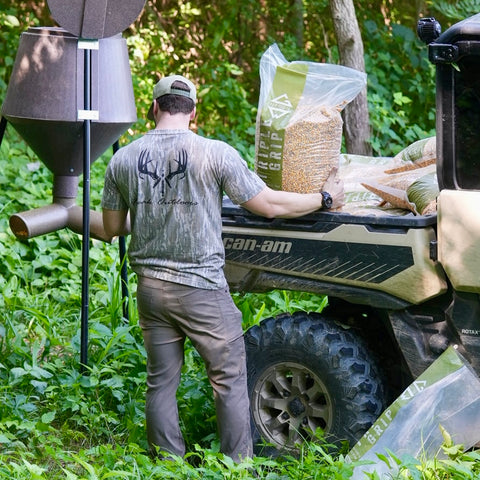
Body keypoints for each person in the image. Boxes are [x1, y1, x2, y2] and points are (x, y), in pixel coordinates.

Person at [101, 74, 344, 461]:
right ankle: (237, 465)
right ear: (193, 112)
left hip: (150, 288)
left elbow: (112, 228)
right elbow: (270, 206)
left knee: (161, 382)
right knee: (229, 378)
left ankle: (167, 463)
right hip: (201, 289)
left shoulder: (123, 159)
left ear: (153, 109)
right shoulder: (215, 153)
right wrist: (323, 197)